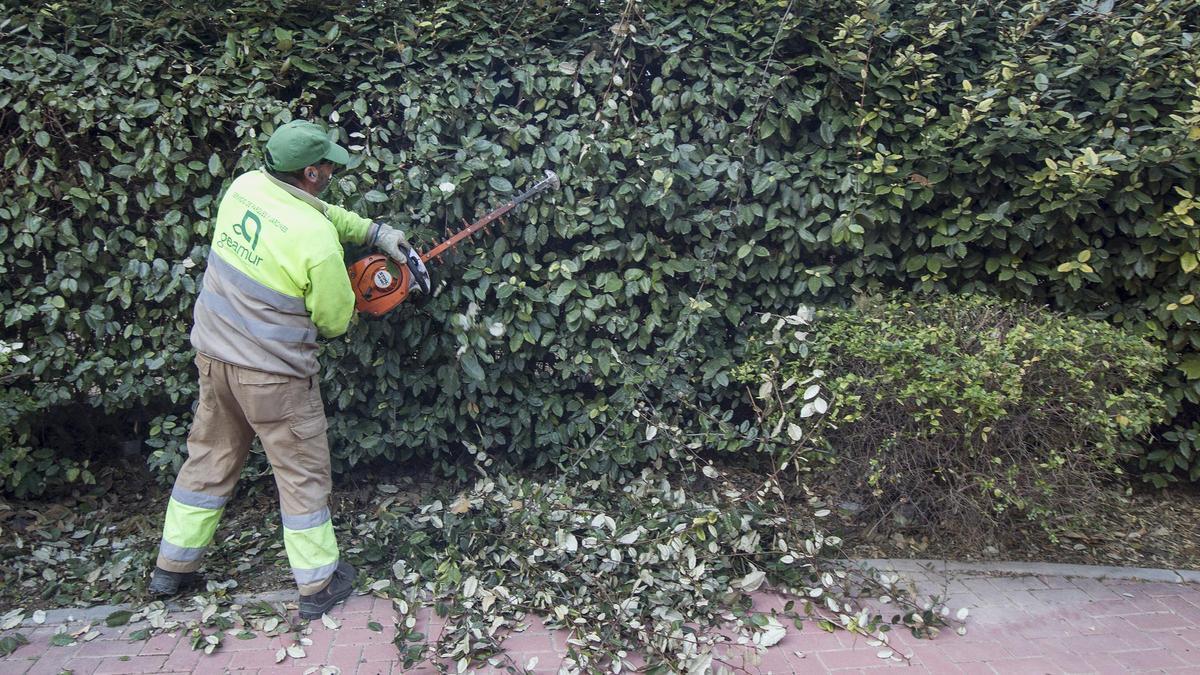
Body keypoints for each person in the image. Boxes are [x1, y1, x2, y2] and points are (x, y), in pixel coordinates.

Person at [147, 120, 410, 619]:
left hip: (214, 359)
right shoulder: (316, 241)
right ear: (311, 172)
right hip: (273, 378)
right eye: (328, 164)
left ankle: (171, 569)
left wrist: (374, 233)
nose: (333, 169)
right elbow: (333, 321)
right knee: (302, 476)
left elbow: (317, 213)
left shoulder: (245, 187)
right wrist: (365, 292)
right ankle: (319, 586)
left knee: (208, 458)